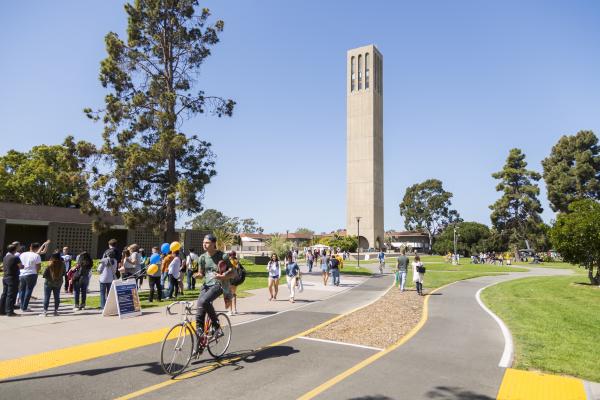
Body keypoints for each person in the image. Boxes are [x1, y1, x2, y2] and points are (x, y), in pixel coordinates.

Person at [193, 234, 233, 347]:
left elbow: (233, 272)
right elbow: (202, 274)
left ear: (213, 244)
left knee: (205, 301)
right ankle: (199, 346)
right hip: (206, 286)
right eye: (203, 242)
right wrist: (197, 275)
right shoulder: (202, 257)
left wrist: (223, 276)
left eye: (207, 243)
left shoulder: (222, 256)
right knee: (199, 313)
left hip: (219, 285)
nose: (204, 245)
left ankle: (216, 326)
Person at [18, 242, 44, 312]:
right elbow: (38, 267)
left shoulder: (23, 254)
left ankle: (21, 306)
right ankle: (25, 307)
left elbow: (19, 264)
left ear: (30, 247)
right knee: (28, 290)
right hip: (31, 274)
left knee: (22, 290)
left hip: (22, 274)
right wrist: (36, 273)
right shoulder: (36, 256)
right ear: (38, 248)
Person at [0, 244, 24, 316]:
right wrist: (23, 266)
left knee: (4, 294)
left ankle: (1, 310)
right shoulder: (15, 257)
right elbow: (20, 266)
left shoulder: (5, 257)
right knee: (11, 295)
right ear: (15, 250)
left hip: (5, 277)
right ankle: (9, 311)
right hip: (12, 278)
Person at [226, 250, 240, 315]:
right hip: (236, 279)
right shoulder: (236, 261)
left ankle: (230, 311)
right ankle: (235, 309)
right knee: (234, 294)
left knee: (230, 294)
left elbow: (229, 269)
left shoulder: (230, 261)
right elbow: (238, 268)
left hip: (230, 279)